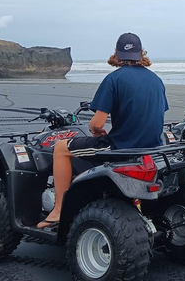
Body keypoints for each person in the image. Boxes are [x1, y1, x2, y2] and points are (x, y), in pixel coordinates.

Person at [38, 32, 168, 229]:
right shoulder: (156, 81)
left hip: (121, 147)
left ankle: (58, 210)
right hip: (153, 148)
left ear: (116, 53)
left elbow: (97, 124)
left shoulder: (114, 79)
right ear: (141, 53)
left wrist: (95, 130)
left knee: (61, 149)